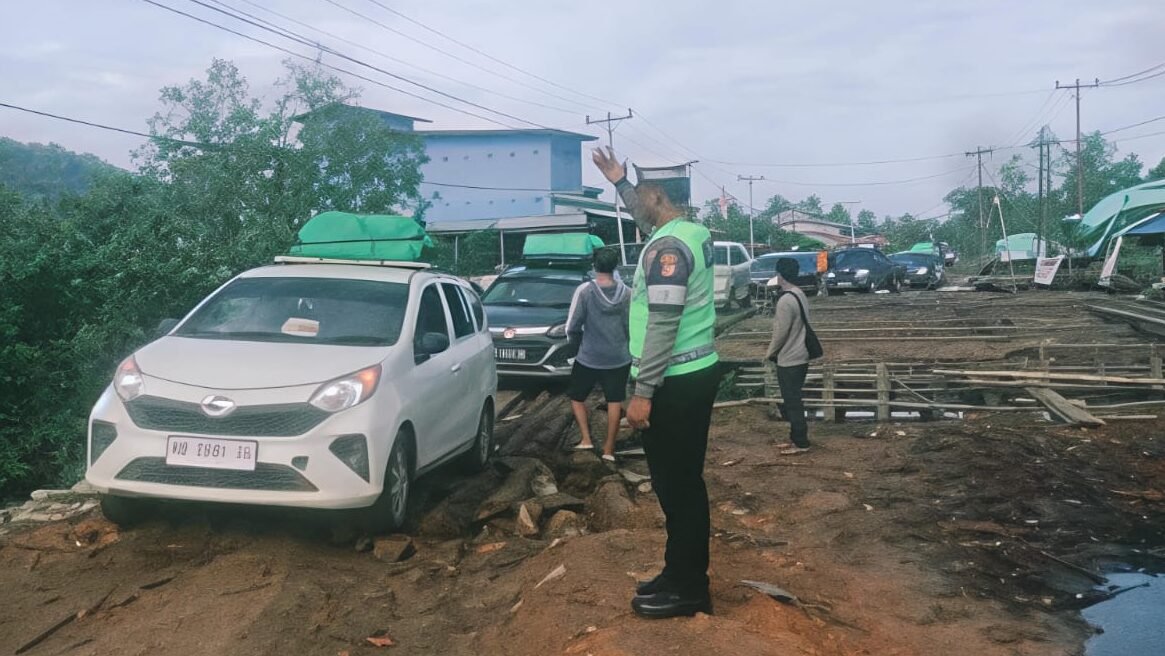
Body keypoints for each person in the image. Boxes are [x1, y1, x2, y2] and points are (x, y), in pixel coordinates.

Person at [592, 146, 720, 619]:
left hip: (673, 382)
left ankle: (689, 590)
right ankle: (678, 572)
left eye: (640, 192)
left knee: (678, 487)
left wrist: (642, 394)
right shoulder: (686, 232)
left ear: (659, 194)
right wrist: (620, 182)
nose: (634, 203)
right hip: (691, 373)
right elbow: (644, 220)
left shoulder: (667, 249)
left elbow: (664, 323)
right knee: (677, 485)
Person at [566, 246, 632, 463]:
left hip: (590, 356)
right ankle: (609, 449)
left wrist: (575, 346)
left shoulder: (585, 291)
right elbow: (630, 325)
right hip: (619, 356)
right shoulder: (627, 293)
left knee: (576, 397)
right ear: (615, 266)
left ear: (594, 266)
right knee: (615, 400)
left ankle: (586, 439)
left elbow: (573, 325)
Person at [766, 257, 812, 455]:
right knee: (794, 398)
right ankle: (795, 438)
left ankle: (801, 442)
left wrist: (769, 353)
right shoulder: (799, 294)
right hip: (802, 354)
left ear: (780, 275)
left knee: (792, 401)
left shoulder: (785, 300)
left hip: (789, 358)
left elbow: (780, 333)